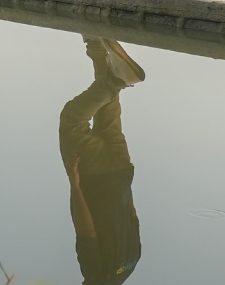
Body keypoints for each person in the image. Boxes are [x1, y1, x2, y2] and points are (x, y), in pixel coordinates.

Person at [60, 36, 144, 284]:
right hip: (94, 177)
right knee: (72, 120)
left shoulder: (131, 264)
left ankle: (97, 48)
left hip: (122, 174)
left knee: (108, 110)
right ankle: (116, 79)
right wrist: (75, 184)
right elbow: (87, 231)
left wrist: (123, 180)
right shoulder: (97, 277)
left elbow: (132, 212)